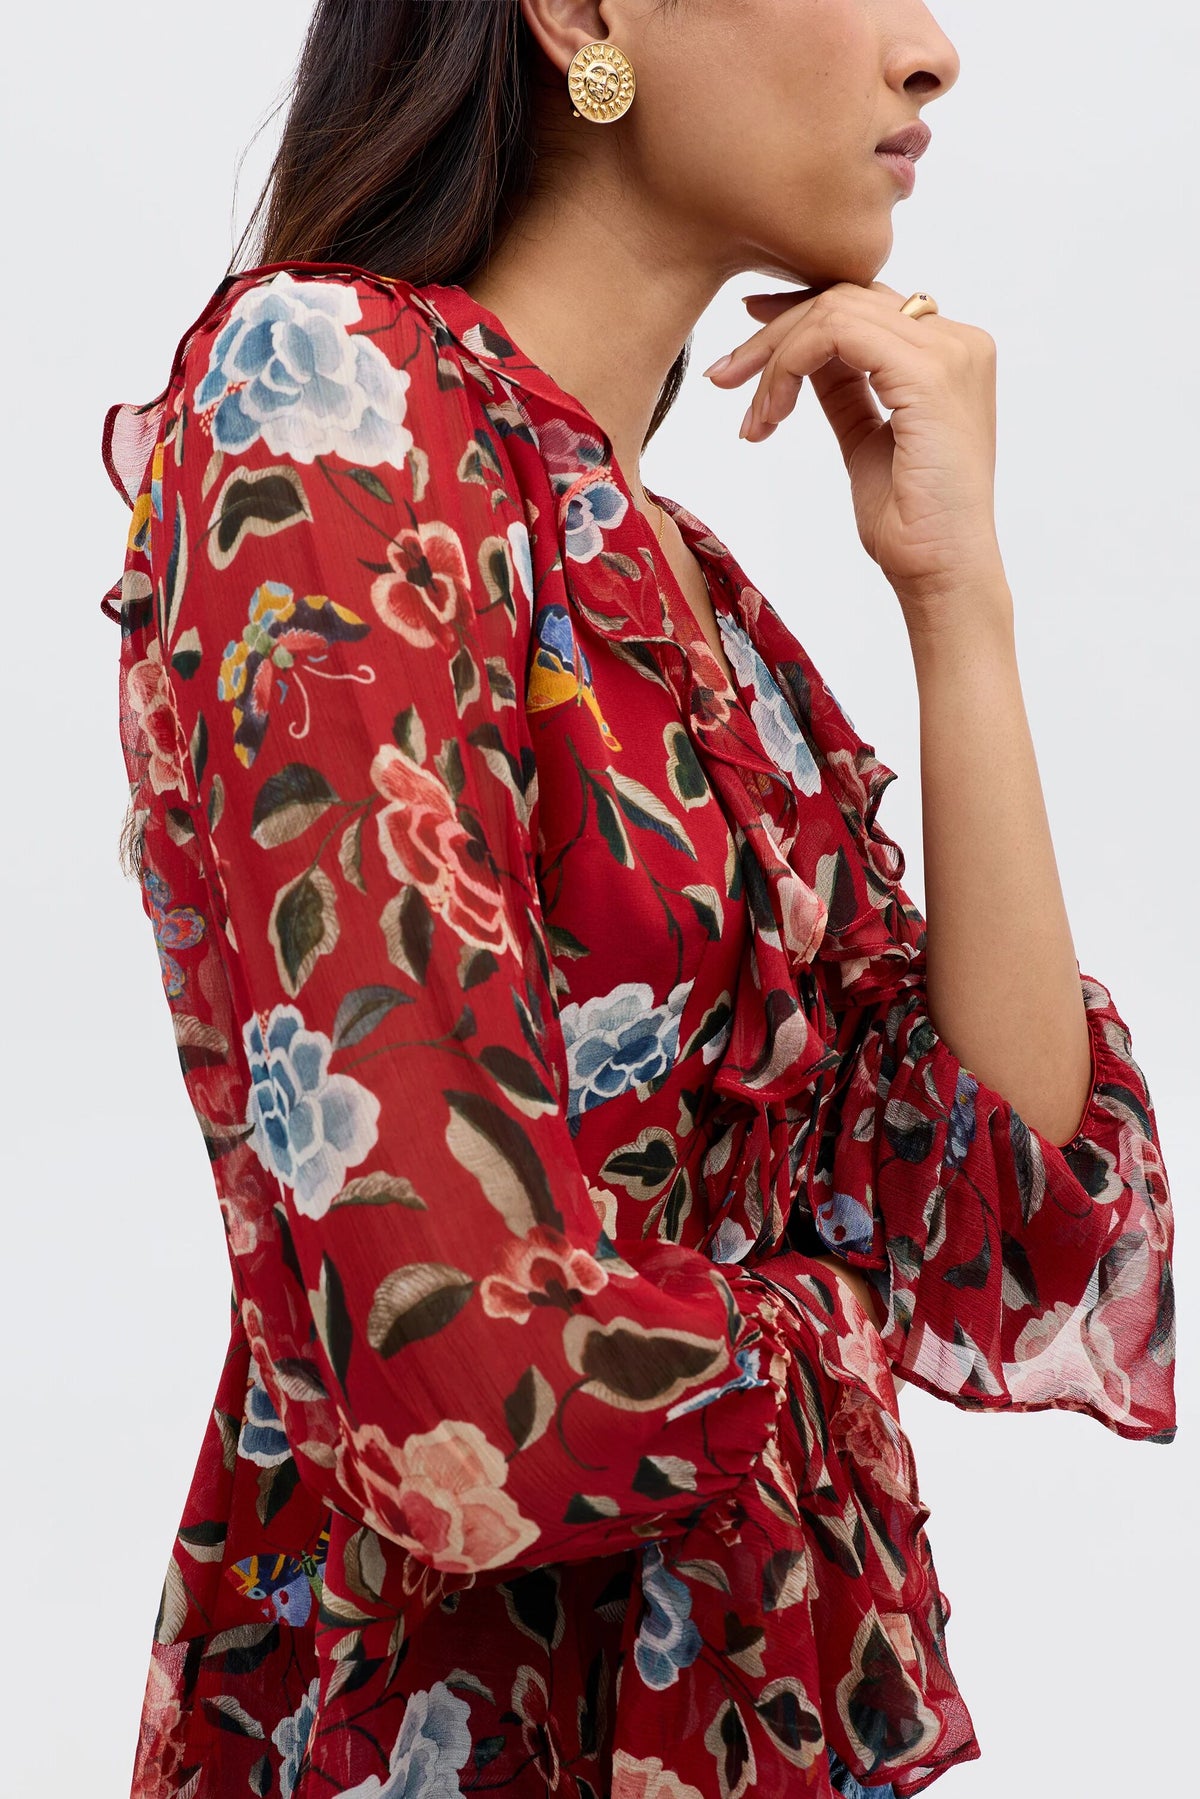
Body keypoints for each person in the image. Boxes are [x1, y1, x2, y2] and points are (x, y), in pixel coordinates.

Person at [100, 4, 1176, 1797]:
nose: (932, 53)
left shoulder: (691, 596)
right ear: (588, 15)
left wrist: (956, 600)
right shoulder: (324, 394)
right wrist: (806, 1338)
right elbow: (452, 1355)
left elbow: (1012, 1228)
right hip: (427, 1722)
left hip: (702, 1718)